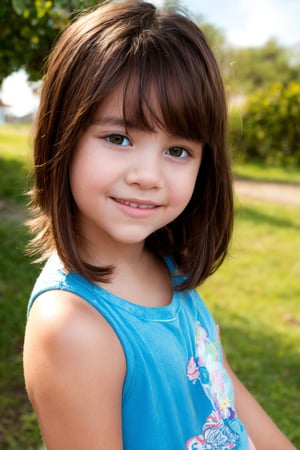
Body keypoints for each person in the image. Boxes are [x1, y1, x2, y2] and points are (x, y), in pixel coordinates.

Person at [23, 1, 296, 449]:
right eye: (118, 138)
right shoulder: (71, 328)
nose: (148, 176)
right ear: (61, 135)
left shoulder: (167, 267)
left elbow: (222, 391)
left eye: (178, 151)